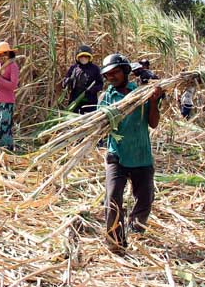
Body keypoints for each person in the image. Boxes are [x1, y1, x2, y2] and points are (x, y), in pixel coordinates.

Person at [99, 53, 163, 254]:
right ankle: (115, 242)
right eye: (108, 74)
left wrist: (153, 102)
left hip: (141, 155)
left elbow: (153, 123)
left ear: (126, 71)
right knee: (112, 197)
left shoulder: (140, 94)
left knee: (145, 198)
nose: (112, 77)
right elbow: (101, 128)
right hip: (116, 155)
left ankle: (135, 229)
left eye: (116, 72)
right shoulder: (106, 98)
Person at [61, 45, 103, 114]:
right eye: (81, 56)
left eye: (86, 56)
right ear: (78, 57)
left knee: (89, 120)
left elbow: (100, 84)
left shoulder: (95, 69)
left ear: (89, 57)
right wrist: (67, 81)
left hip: (90, 101)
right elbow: (64, 81)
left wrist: (91, 90)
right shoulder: (73, 68)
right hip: (75, 101)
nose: (83, 58)